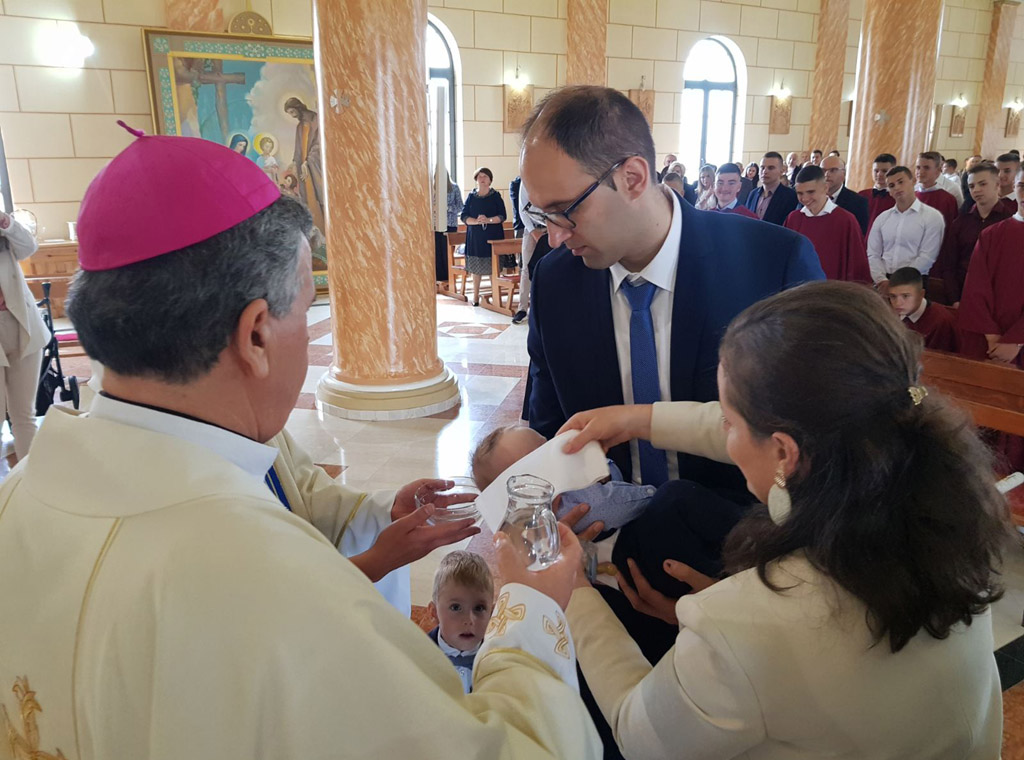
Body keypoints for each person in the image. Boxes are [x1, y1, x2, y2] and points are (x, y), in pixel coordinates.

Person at [0, 127, 601, 759]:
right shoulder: (277, 590)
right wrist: (531, 612)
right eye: (308, 306)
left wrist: (379, 516)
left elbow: (295, 498)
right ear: (256, 335)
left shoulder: (17, 503)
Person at [558, 280, 1007, 760]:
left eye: (729, 421)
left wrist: (573, 590)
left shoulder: (747, 621)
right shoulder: (943, 509)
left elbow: (640, 736)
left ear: (784, 452)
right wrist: (639, 419)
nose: (723, 428)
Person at [520, 86, 824, 490]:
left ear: (632, 178)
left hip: (741, 522)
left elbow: (815, 432)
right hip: (605, 521)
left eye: (565, 211)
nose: (555, 237)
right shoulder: (555, 281)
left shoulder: (772, 263)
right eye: (542, 214)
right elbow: (550, 424)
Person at [471, 425, 656, 532]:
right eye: (544, 454)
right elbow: (617, 504)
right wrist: (653, 494)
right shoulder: (568, 505)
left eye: (548, 443)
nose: (556, 448)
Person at [958, 166, 1024, 367]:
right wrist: (992, 335)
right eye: (1022, 185)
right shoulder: (991, 235)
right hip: (988, 339)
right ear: (1013, 186)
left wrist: (1016, 339)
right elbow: (975, 288)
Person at [0, 211, 48, 460]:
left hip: (22, 326)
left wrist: (6, 223)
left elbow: (29, 247)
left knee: (24, 414)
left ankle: (29, 476)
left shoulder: (4, 233)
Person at [936, 161, 1012, 306]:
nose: (976, 190)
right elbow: (949, 265)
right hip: (963, 292)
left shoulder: (1009, 221)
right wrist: (954, 299)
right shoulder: (961, 222)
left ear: (997, 185)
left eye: (982, 184)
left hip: (999, 296)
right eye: (971, 186)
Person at [867, 166, 945, 295]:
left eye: (901, 182)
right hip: (884, 280)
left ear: (913, 181)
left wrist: (899, 282)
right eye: (892, 185)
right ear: (889, 191)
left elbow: (927, 256)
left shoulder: (932, 216)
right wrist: (881, 279)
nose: (897, 188)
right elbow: (873, 254)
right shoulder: (882, 218)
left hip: (914, 279)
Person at [785, 166, 870, 283]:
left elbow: (857, 264)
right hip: (799, 287)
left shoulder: (845, 220)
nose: (805, 198)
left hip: (832, 289)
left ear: (825, 188)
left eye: (810, 192)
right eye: (800, 193)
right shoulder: (793, 218)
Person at [426, 551, 494, 694]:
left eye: (479, 608)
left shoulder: (498, 659)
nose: (469, 620)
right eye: (456, 608)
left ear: (492, 613)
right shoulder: (416, 655)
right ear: (434, 612)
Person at [460, 167, 507, 307]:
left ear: (490, 180)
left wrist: (488, 220)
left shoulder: (495, 196)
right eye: (479, 176)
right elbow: (464, 216)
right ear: (476, 180)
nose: (482, 179)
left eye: (485, 176)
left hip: (493, 235)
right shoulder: (471, 197)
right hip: (475, 237)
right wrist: (476, 221)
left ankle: (495, 298)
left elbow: (502, 216)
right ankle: (475, 297)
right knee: (476, 269)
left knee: (493, 267)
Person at [887, 266, 958, 351]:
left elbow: (943, 356)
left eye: (905, 296)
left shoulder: (941, 322)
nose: (898, 303)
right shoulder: (888, 314)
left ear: (921, 294)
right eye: (893, 296)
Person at [745, 152, 799, 224]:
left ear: (781, 171)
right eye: (762, 167)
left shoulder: (790, 196)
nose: (765, 171)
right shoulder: (753, 194)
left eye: (770, 168)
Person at [820, 155, 869, 234]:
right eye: (823, 170)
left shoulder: (858, 202)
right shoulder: (811, 198)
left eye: (833, 170)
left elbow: (859, 234)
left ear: (844, 173)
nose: (826, 174)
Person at [915, 151, 961, 227]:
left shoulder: (948, 198)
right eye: (918, 167)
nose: (920, 171)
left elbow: (951, 226)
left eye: (926, 168)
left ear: (938, 171)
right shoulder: (912, 195)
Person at [433, 170, 463, 283]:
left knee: (447, 252)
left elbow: (460, 206)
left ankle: (449, 277)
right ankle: (438, 278)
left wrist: (447, 208)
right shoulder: (432, 188)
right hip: (435, 225)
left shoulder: (454, 188)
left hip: (450, 224)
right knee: (437, 252)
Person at [858, 152, 897, 227]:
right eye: (876, 171)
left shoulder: (897, 198)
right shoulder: (861, 195)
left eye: (884, 171)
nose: (879, 174)